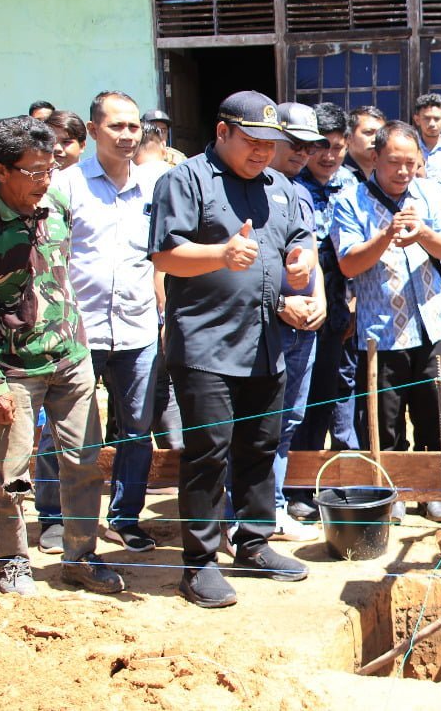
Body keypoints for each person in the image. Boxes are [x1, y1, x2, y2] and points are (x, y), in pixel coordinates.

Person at [149, 90, 315, 608]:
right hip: (206, 343)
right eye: (252, 142)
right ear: (222, 133)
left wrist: (300, 263)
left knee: (261, 448)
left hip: (265, 342)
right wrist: (221, 253)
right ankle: (198, 564)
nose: (263, 152)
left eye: (271, 144)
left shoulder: (282, 187)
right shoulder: (185, 180)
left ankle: (254, 544)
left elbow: (301, 240)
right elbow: (166, 254)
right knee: (209, 453)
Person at [0, 115, 124, 595]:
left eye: (49, 168)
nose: (45, 180)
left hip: (71, 359)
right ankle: (10, 562)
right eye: (33, 172)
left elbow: (58, 274)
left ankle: (81, 556)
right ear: (1, 170)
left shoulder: (55, 205)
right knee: (10, 476)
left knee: (83, 462)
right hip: (11, 368)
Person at [32, 91, 165, 555]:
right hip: (78, 332)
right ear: (93, 131)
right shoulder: (65, 185)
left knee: (136, 429)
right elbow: (47, 257)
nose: (128, 135)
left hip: (138, 328)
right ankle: (54, 518)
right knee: (64, 431)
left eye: (134, 127)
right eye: (117, 127)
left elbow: (161, 255)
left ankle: (126, 518)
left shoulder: (154, 185)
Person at [333, 120, 441, 523]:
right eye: (394, 162)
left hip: (432, 324)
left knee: (434, 413)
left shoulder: (430, 193)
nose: (403, 171)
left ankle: (433, 490)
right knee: (384, 419)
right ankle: (393, 490)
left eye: (410, 162)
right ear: (374, 159)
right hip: (381, 328)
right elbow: (348, 263)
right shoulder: (350, 200)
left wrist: (421, 231)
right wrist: (386, 235)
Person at [264, 102, 328, 542]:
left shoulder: (299, 194)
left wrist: (319, 298)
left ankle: (272, 508)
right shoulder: (248, 191)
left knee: (289, 419)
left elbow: (312, 256)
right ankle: (243, 513)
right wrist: (282, 301)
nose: (303, 153)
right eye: (295, 144)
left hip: (303, 325)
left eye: (310, 146)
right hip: (266, 322)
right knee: (256, 422)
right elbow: (248, 268)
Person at [293, 102, 361, 462]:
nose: (328, 156)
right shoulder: (289, 183)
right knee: (298, 393)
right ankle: (298, 477)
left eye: (337, 147)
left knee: (335, 385)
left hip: (339, 304)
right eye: (321, 146)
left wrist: (353, 303)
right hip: (294, 303)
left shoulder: (353, 185)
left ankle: (336, 468)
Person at [343, 105, 385, 182]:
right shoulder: (335, 174)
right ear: (349, 137)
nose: (375, 139)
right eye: (368, 132)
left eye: (380, 133)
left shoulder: (387, 173)